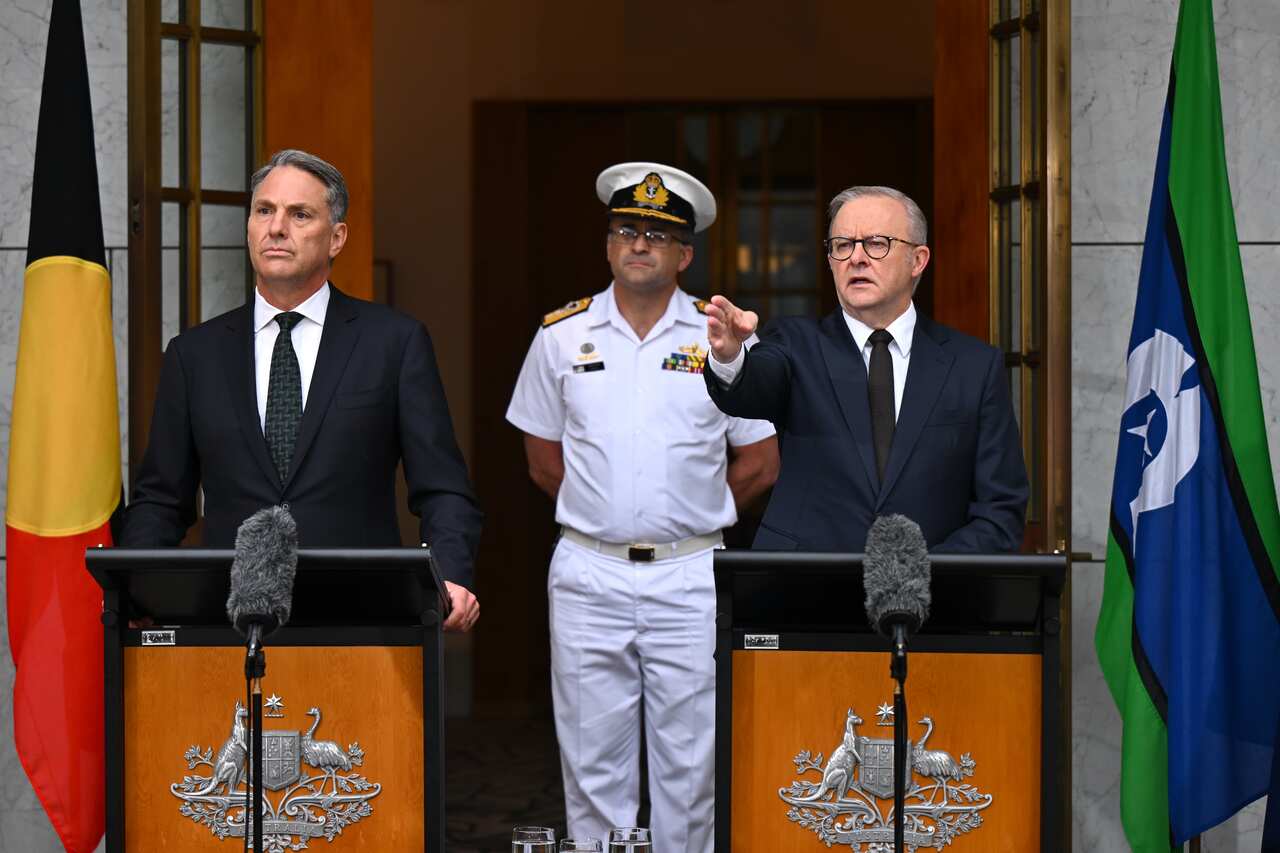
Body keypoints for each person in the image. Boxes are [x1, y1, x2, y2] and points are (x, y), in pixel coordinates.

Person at [506, 162, 779, 852]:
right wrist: (603, 513)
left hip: (690, 573)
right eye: (626, 230)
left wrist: (695, 512)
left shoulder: (720, 338)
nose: (638, 243)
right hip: (588, 571)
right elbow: (542, 457)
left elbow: (760, 460)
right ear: (607, 245)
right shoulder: (561, 335)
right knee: (593, 761)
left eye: (657, 233)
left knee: (690, 768)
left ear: (685, 253)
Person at [121, 149, 482, 631]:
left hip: (362, 623)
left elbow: (442, 488)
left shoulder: (393, 343)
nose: (276, 228)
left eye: (300, 214)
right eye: (264, 210)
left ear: (337, 237)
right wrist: (140, 589)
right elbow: (161, 500)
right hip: (228, 624)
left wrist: (452, 575)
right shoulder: (194, 355)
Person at [703, 185, 1027, 553]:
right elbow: (754, 387)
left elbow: (1000, 510)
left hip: (930, 599)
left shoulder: (974, 367)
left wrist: (922, 576)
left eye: (876, 243)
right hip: (802, 596)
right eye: (842, 245)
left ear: (918, 260)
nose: (856, 258)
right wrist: (731, 357)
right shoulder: (795, 344)